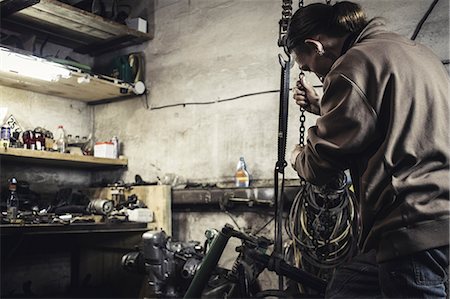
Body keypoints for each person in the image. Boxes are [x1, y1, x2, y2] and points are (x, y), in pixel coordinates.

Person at [286, 1, 449, 298]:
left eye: (307, 66)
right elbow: (386, 110)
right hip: (441, 216)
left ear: (315, 45)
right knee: (346, 287)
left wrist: (296, 155)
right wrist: (322, 105)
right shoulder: (415, 53)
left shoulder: (351, 65)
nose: (315, 75)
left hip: (412, 223)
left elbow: (319, 164)